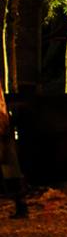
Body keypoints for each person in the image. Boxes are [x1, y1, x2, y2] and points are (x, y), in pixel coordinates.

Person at [0, 90, 28, 219]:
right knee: (11, 170)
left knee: (10, 170)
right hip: (3, 129)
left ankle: (21, 206)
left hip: (3, 131)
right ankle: (21, 206)